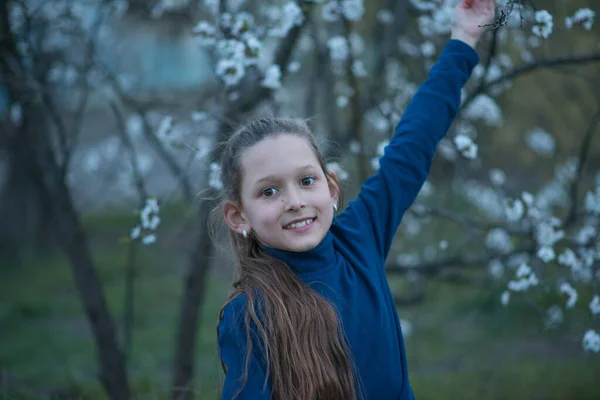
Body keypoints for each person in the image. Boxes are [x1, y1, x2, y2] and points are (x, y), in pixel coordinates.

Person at [214, 1, 496, 398]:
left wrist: (464, 37)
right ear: (237, 215)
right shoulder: (250, 314)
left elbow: (412, 144)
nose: (294, 201)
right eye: (269, 191)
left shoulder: (359, 239)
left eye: (306, 180)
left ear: (331, 188)